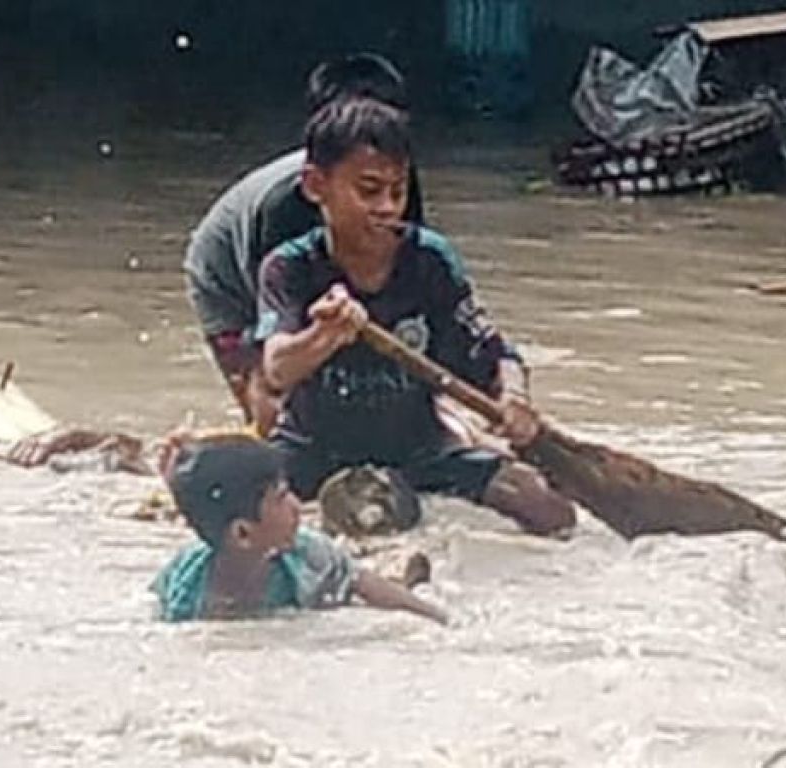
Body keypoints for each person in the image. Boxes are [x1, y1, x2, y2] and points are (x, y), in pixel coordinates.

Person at [256, 96, 577, 537]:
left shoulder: (429, 259)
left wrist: (515, 401)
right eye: (369, 191)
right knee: (241, 512)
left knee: (550, 511)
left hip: (421, 450)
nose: (387, 207)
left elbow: (496, 353)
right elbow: (276, 369)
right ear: (315, 186)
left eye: (398, 191)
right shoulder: (288, 267)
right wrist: (326, 334)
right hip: (311, 452)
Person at [183, 53, 426, 433]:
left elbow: (406, 283)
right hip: (229, 275)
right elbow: (277, 313)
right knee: (271, 408)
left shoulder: (397, 184)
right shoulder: (283, 205)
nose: (387, 204)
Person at [150, 434, 447, 624]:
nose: (297, 505)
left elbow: (365, 584)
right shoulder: (185, 587)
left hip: (328, 591)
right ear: (243, 534)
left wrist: (435, 617)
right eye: (281, 499)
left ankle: (404, 571)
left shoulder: (307, 555)